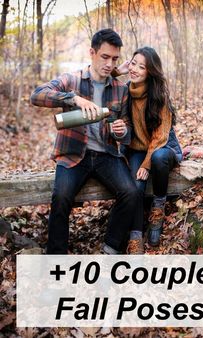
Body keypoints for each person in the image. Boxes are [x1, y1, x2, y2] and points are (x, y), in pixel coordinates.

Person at [31, 29, 144, 255]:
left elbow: (128, 130)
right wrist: (73, 98)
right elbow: (37, 95)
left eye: (114, 59)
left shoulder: (120, 89)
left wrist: (121, 131)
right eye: (104, 57)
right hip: (74, 155)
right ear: (92, 53)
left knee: (131, 193)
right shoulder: (71, 80)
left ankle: (110, 246)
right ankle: (56, 259)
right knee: (61, 197)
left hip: (107, 156)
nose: (109, 63)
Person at [114, 46, 183, 247]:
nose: (135, 69)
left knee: (158, 158)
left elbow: (160, 137)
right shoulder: (125, 90)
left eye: (141, 67)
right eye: (133, 63)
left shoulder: (159, 95)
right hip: (137, 148)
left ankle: (158, 207)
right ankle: (135, 237)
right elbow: (102, 80)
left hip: (163, 148)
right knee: (135, 187)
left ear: (150, 71)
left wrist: (145, 164)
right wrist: (118, 70)